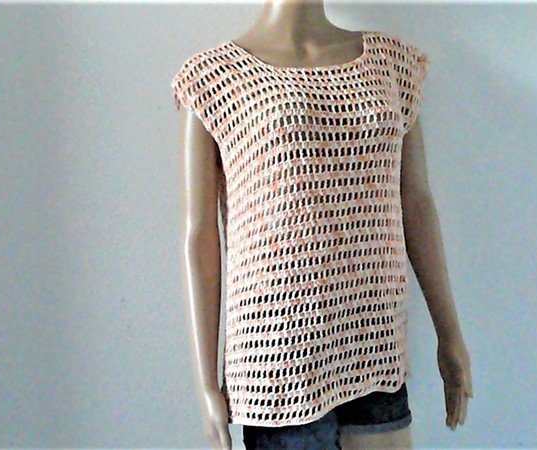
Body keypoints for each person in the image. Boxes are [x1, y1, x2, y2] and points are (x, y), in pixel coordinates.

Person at [171, 2, 473, 449]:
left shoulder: (392, 65)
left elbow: (416, 201)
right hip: (279, 353)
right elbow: (199, 236)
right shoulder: (214, 78)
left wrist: (450, 334)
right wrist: (206, 385)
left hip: (373, 337)